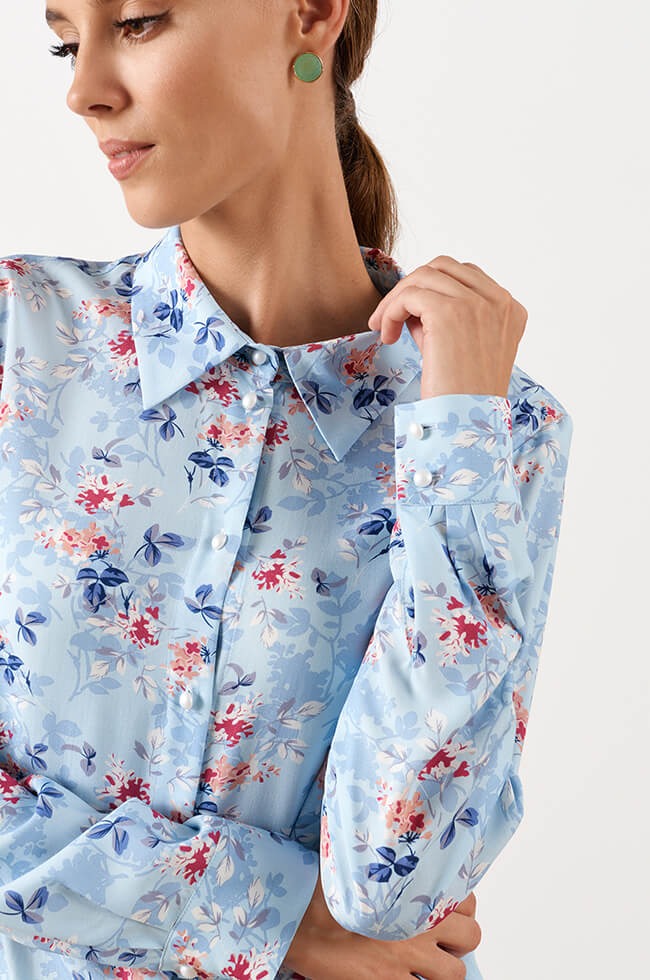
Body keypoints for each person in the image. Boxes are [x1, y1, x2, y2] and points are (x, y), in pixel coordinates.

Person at [0, 2, 573, 979]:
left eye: (136, 22)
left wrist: (456, 437)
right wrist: (269, 913)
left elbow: (398, 891)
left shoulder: (490, 426)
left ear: (309, 13)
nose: (83, 89)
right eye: (66, 40)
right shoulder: (22, 343)